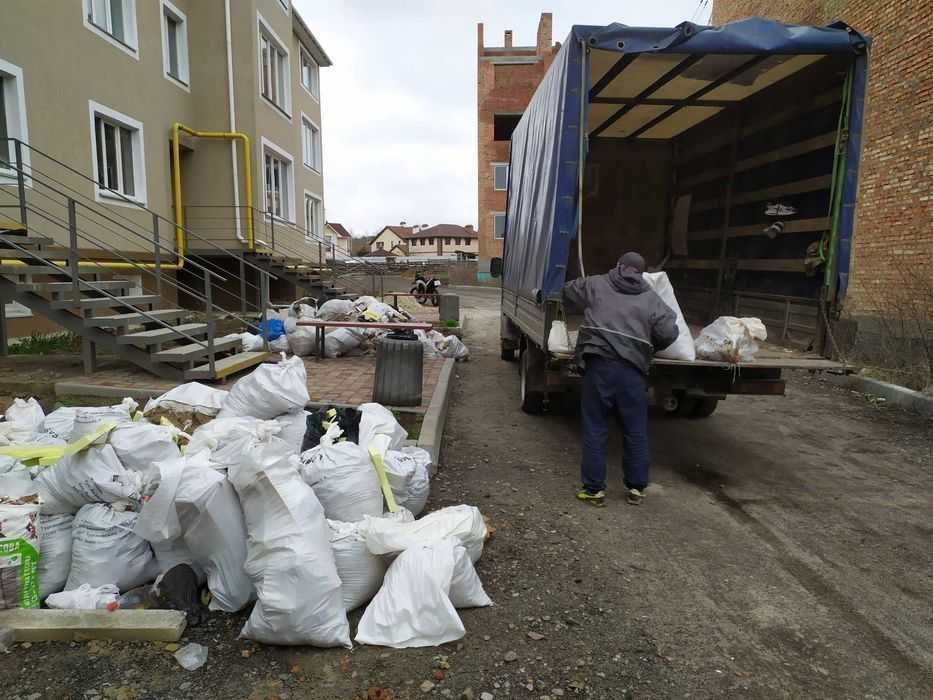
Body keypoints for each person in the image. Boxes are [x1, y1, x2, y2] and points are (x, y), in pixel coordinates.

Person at [562, 252, 678, 506]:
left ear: (618, 266)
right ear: (641, 272)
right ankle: (636, 488)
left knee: (595, 426)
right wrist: (650, 344)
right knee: (635, 428)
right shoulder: (650, 297)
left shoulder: (597, 283)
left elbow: (568, 291)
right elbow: (669, 331)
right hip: (633, 370)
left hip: (599, 366)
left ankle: (594, 491)